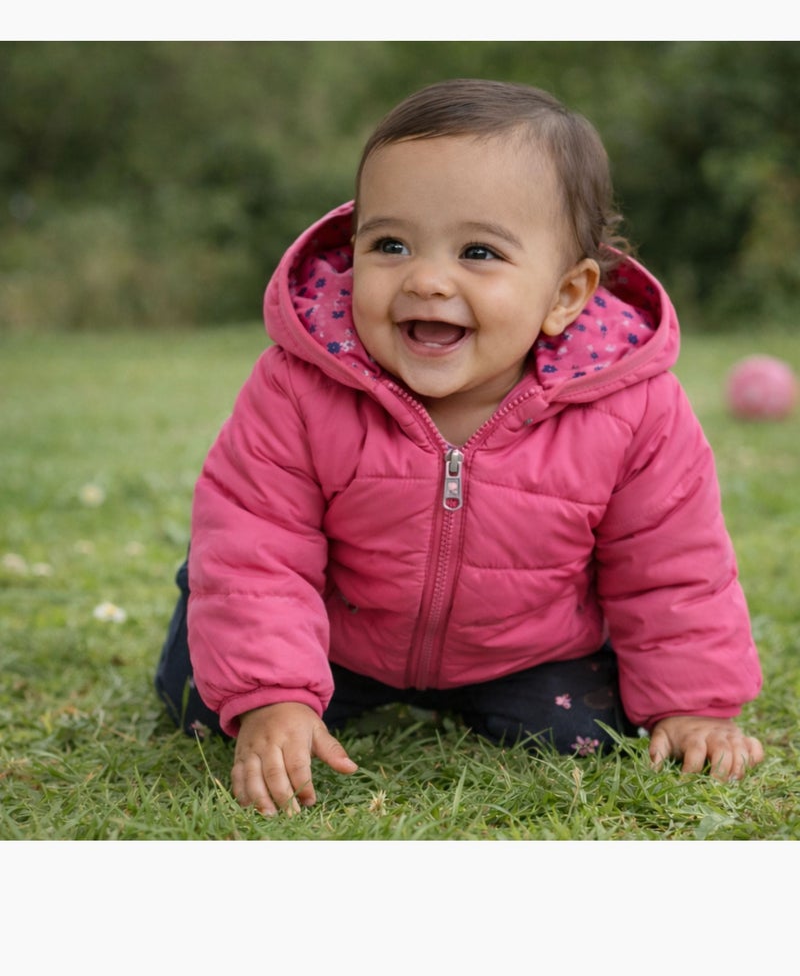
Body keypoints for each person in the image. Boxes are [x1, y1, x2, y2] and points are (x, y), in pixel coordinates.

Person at [155, 78, 764, 816]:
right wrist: (272, 693)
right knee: (206, 700)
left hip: (521, 647)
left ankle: (493, 696)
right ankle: (274, 682)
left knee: (592, 729)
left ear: (566, 296)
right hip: (337, 638)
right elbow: (258, 545)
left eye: (478, 251)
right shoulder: (299, 385)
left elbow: (672, 568)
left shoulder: (633, 407)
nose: (427, 278)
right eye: (390, 244)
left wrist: (693, 702)